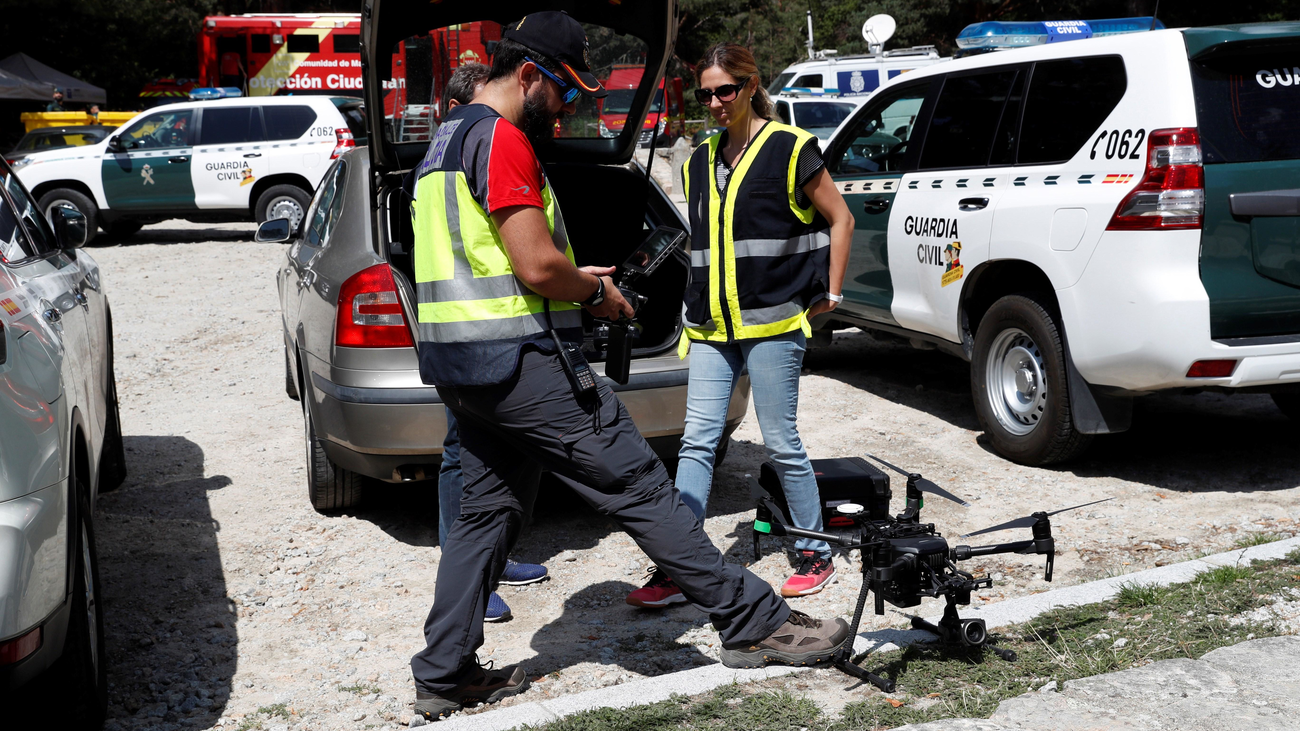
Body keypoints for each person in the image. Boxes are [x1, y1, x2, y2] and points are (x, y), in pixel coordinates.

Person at [408, 12, 848, 722]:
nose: (573, 103)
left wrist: (564, 276)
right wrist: (593, 289)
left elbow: (488, 262)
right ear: (528, 76)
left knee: (486, 513)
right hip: (522, 363)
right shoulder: (502, 140)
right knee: (640, 484)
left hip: (464, 371)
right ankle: (756, 622)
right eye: (566, 89)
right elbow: (532, 264)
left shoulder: (444, 143)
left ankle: (443, 670)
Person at [626, 42, 853, 608]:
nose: (715, 102)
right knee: (696, 444)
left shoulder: (792, 148)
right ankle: (680, 565)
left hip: (774, 323)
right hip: (710, 327)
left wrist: (833, 290)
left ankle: (813, 550)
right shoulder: (697, 160)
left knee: (781, 441)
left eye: (725, 90)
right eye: (706, 94)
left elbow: (841, 217)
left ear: (751, 86)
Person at [434, 62, 546, 625]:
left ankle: (495, 564)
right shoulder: (471, 145)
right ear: (465, 101)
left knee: (494, 459)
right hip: (473, 338)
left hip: (489, 336)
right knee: (464, 459)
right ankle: (476, 577)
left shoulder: (455, 148)